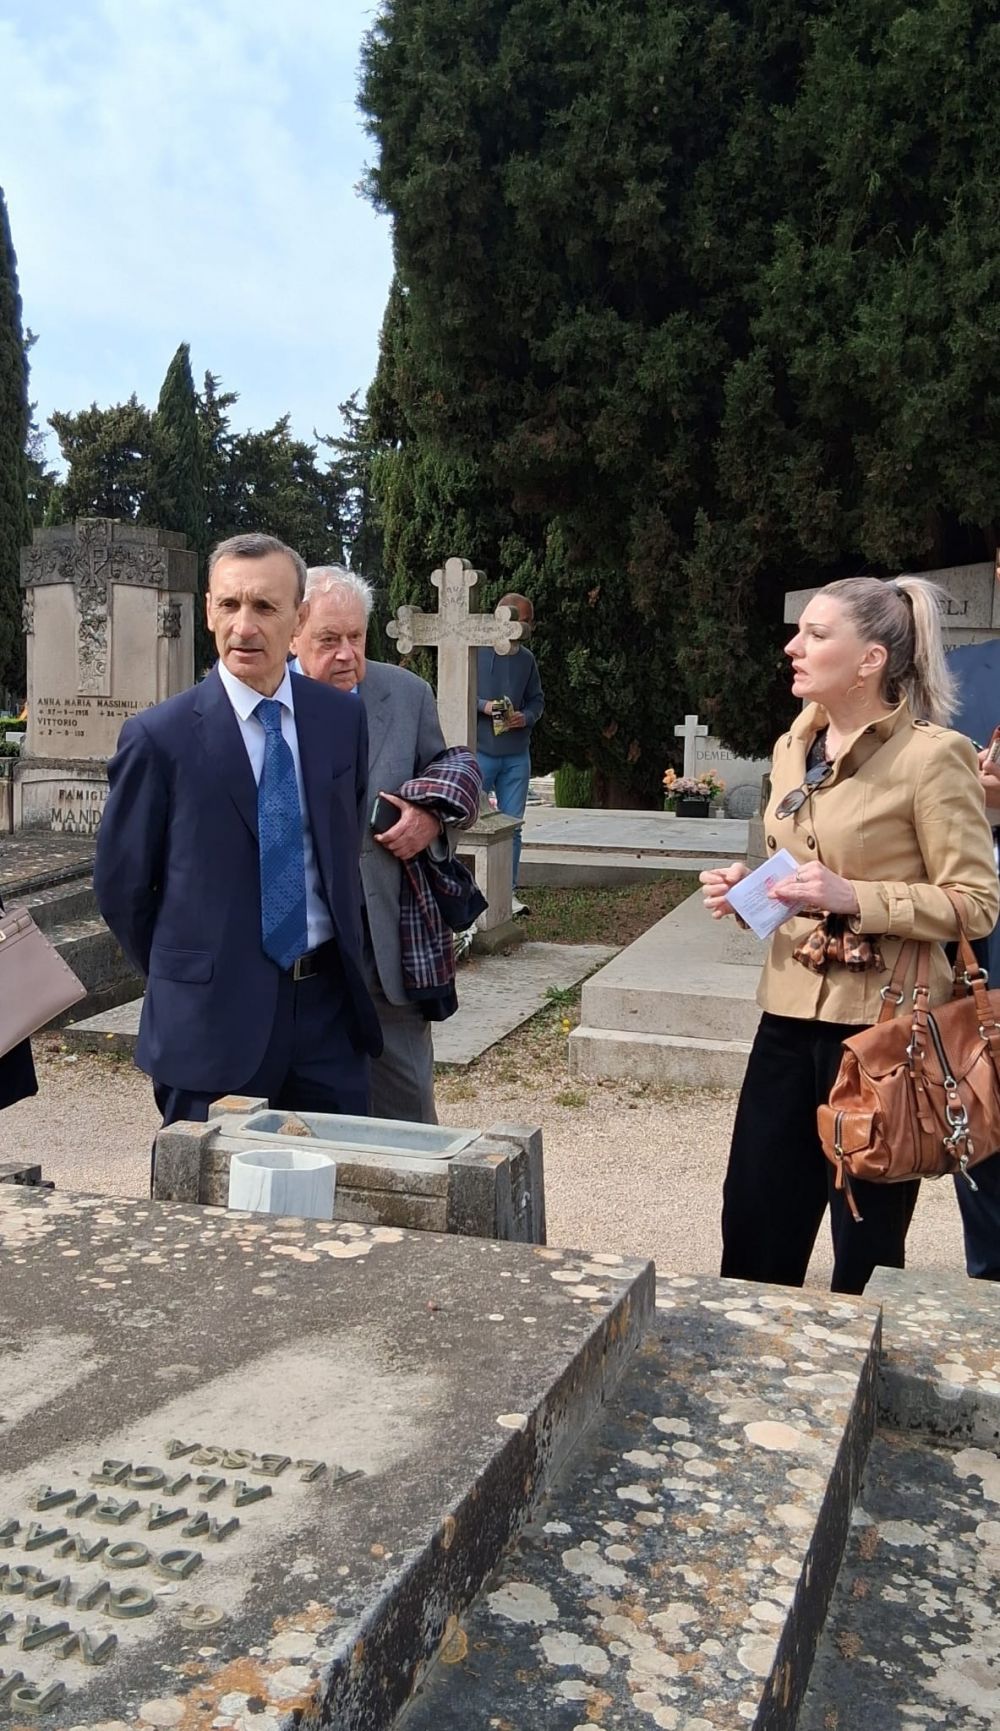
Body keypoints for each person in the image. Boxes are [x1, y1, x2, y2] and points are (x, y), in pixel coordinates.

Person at [700, 575, 999, 1295]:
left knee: (863, 1253)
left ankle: (851, 1398)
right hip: (786, 1017)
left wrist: (853, 897)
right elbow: (799, 866)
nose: (792, 646)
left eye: (815, 634)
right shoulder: (789, 747)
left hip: (884, 1038)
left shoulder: (935, 756)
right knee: (753, 1229)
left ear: (870, 659)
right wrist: (754, 896)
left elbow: (977, 902)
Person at [94, 533, 381, 1138]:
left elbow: (340, 843)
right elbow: (122, 891)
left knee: (335, 1207)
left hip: (327, 1017)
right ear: (207, 611)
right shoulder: (159, 739)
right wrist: (193, 971)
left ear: (299, 617)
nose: (244, 626)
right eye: (229, 606)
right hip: (210, 1027)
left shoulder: (339, 719)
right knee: (208, 1221)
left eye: (265, 607)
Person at [292, 565, 480, 1123]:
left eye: (357, 637)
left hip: (385, 954)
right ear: (294, 634)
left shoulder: (405, 694)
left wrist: (430, 820)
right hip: (300, 959)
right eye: (329, 640)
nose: (347, 653)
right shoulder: (267, 702)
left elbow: (447, 770)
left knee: (409, 1122)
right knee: (299, 1127)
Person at [476, 593, 544, 911]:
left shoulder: (526, 659)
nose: (524, 628)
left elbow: (537, 701)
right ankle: (470, 891)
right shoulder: (475, 651)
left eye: (527, 623)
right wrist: (484, 706)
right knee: (469, 822)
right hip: (480, 751)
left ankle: (507, 892)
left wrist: (525, 717)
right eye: (522, 621)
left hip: (516, 753)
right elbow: (452, 690)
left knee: (513, 825)